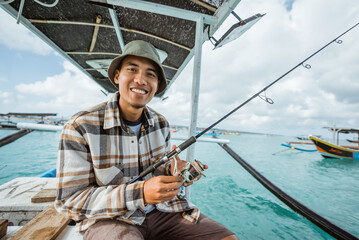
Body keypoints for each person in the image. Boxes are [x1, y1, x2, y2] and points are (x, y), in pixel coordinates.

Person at [55, 40, 238, 240]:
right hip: (112, 219)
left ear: (157, 85)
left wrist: (174, 167)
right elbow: (69, 202)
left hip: (164, 211)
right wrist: (140, 193)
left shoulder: (161, 123)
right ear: (117, 76)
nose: (141, 80)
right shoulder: (79, 126)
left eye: (150, 74)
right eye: (132, 69)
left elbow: (163, 162)